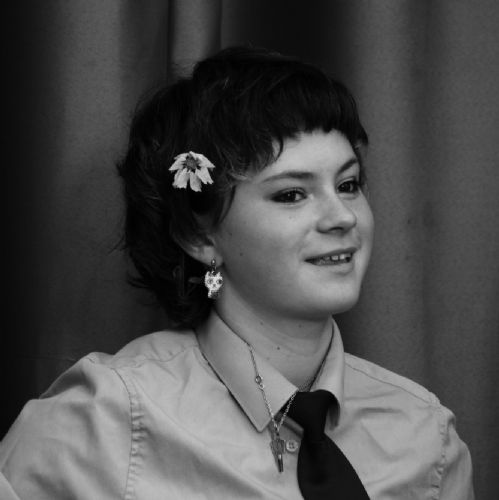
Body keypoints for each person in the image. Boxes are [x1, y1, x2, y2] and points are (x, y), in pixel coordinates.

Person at [0, 46, 474, 499]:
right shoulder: (103, 420)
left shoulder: (426, 437)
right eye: (291, 194)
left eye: (348, 185)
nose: (343, 217)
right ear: (199, 235)